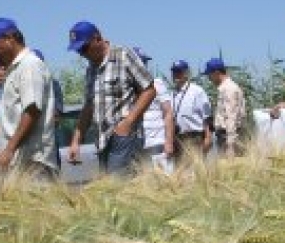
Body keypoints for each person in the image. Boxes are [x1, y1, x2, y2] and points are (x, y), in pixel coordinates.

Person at [66, 21, 156, 176]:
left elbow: (149, 90)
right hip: (102, 141)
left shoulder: (123, 55)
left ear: (97, 39)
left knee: (119, 188)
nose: (82, 53)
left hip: (125, 137)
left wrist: (127, 122)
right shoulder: (90, 70)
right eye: (78, 50)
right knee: (112, 193)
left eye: (84, 48)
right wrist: (76, 140)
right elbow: (88, 107)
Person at [0, 17, 59, 179]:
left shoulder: (30, 65)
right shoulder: (15, 70)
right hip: (17, 160)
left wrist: (9, 150)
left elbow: (32, 110)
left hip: (32, 161)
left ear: (10, 38)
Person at [134, 47, 175, 168]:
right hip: (139, 145)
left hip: (159, 144)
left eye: (145, 62)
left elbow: (168, 113)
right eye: (141, 62)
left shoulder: (157, 83)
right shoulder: (128, 88)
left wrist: (169, 142)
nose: (143, 65)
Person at [203, 57, 246, 156]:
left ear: (217, 73)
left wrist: (230, 144)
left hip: (228, 136)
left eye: (209, 75)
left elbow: (231, 116)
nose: (209, 78)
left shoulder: (228, 89)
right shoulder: (226, 88)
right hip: (226, 135)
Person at [170, 59, 212, 160]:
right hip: (177, 138)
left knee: (194, 171)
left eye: (179, 72)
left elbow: (207, 116)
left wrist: (208, 137)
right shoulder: (172, 94)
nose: (176, 75)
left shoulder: (197, 91)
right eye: (174, 72)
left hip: (194, 137)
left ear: (186, 73)